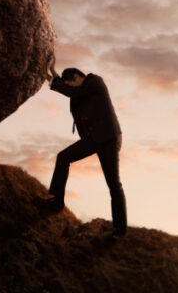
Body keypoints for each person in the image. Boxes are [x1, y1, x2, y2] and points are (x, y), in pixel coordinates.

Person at [37, 62, 127, 236]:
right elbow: (70, 91)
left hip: (108, 138)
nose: (69, 88)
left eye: (69, 83)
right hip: (92, 139)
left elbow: (72, 91)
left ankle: (119, 229)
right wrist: (50, 77)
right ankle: (56, 201)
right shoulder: (79, 91)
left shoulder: (95, 81)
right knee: (63, 157)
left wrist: (54, 75)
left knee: (113, 184)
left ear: (77, 77)